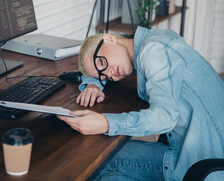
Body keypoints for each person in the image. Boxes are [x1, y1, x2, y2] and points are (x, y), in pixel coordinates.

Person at [57, 27, 224, 180]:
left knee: (97, 166)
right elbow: (100, 64)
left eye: (102, 63)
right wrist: (94, 83)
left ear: (109, 38)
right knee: (104, 163)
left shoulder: (153, 52)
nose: (110, 75)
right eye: (104, 77)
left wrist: (106, 123)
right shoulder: (155, 39)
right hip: (197, 153)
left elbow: (165, 117)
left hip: (200, 166)